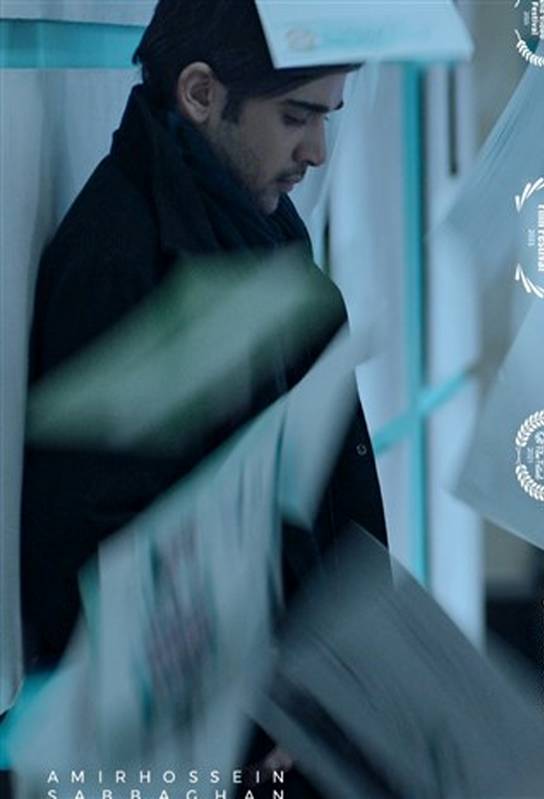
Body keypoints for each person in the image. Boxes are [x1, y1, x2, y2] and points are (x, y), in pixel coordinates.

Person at [19, 0, 387, 788]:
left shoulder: (255, 225)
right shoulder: (122, 263)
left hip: (293, 718)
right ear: (199, 93)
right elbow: (92, 551)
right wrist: (251, 726)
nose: (317, 151)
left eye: (327, 117)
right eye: (296, 117)